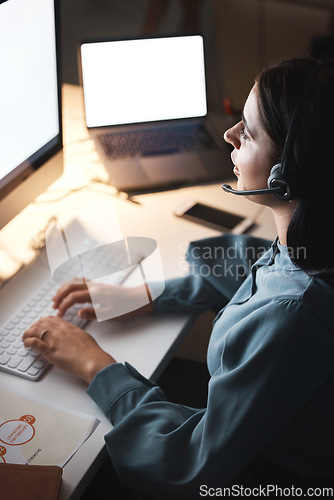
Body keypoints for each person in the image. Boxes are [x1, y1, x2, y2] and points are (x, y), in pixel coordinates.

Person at [23, 58, 334, 499]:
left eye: (246, 131)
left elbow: (190, 466)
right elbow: (259, 267)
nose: (228, 135)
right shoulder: (315, 235)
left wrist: (94, 364)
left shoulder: (294, 317)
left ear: (286, 173)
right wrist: (149, 294)